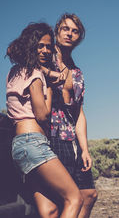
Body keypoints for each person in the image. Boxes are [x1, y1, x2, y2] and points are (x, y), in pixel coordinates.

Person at [6, 22, 83, 218]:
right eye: (40, 45)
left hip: (19, 146)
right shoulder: (35, 74)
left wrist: (48, 74)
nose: (46, 50)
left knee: (50, 210)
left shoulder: (14, 72)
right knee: (75, 198)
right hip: (34, 142)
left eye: (49, 46)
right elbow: (42, 114)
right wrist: (48, 87)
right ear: (31, 45)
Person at [40, 13, 98, 218]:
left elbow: (79, 113)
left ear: (79, 37)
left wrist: (85, 149)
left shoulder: (77, 72)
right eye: (66, 29)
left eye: (75, 31)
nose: (70, 34)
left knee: (89, 194)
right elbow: (19, 55)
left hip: (71, 139)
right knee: (58, 204)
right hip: (50, 138)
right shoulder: (44, 57)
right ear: (57, 31)